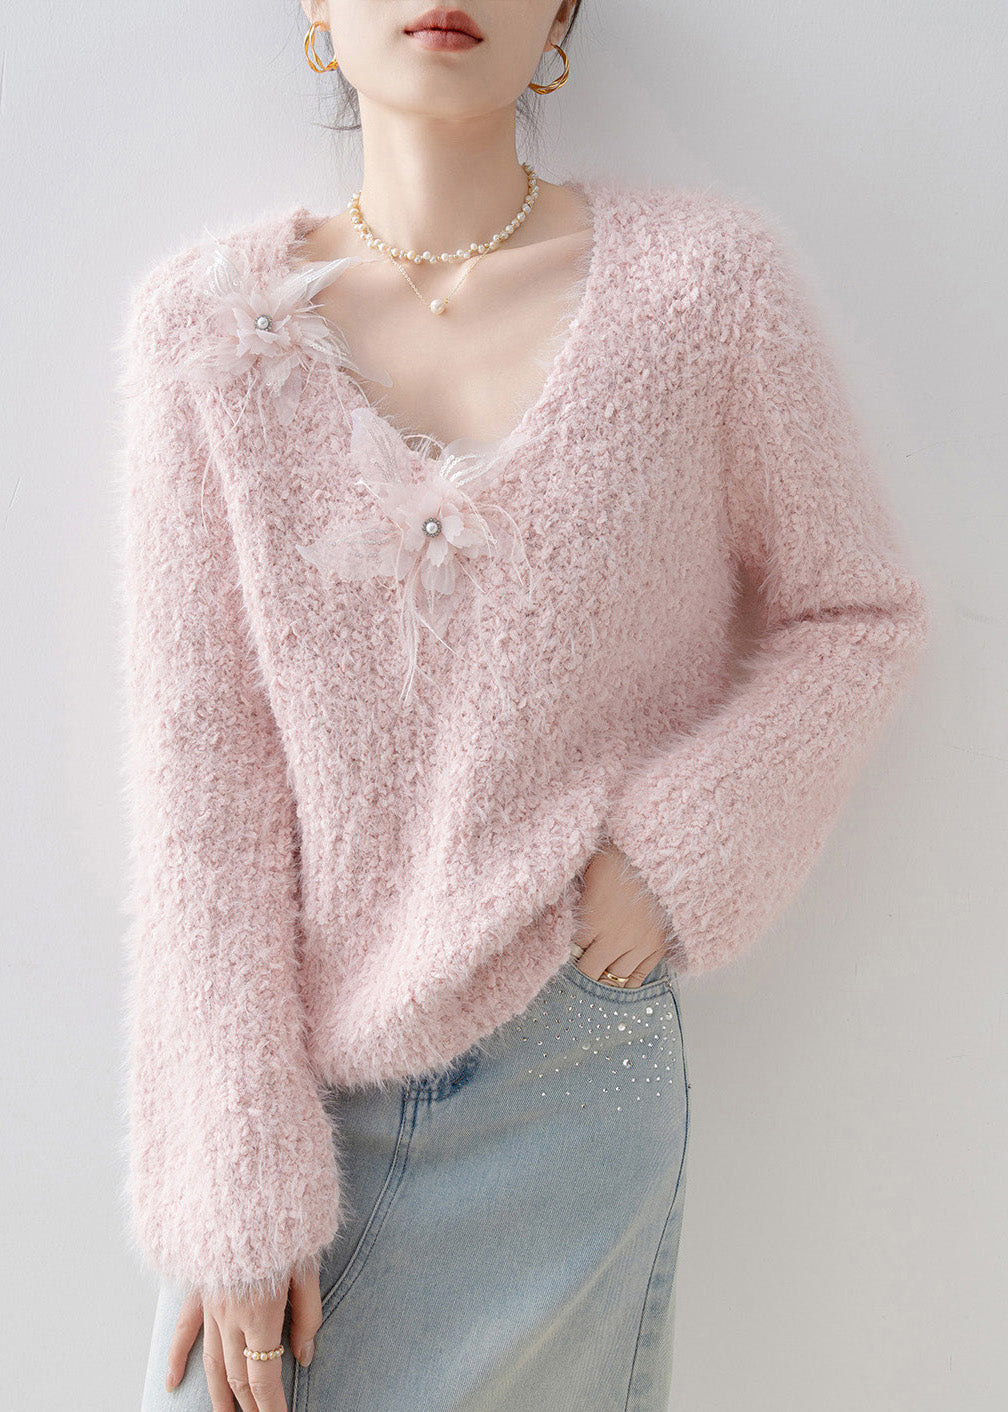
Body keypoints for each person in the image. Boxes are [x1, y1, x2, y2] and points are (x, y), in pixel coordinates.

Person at [115, 3, 929, 1410]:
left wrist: (678, 852)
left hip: (573, 1079)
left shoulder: (705, 291)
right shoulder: (202, 329)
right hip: (300, 1103)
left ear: (558, 15)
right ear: (315, 9)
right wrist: (234, 1191)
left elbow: (856, 615)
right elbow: (203, 791)